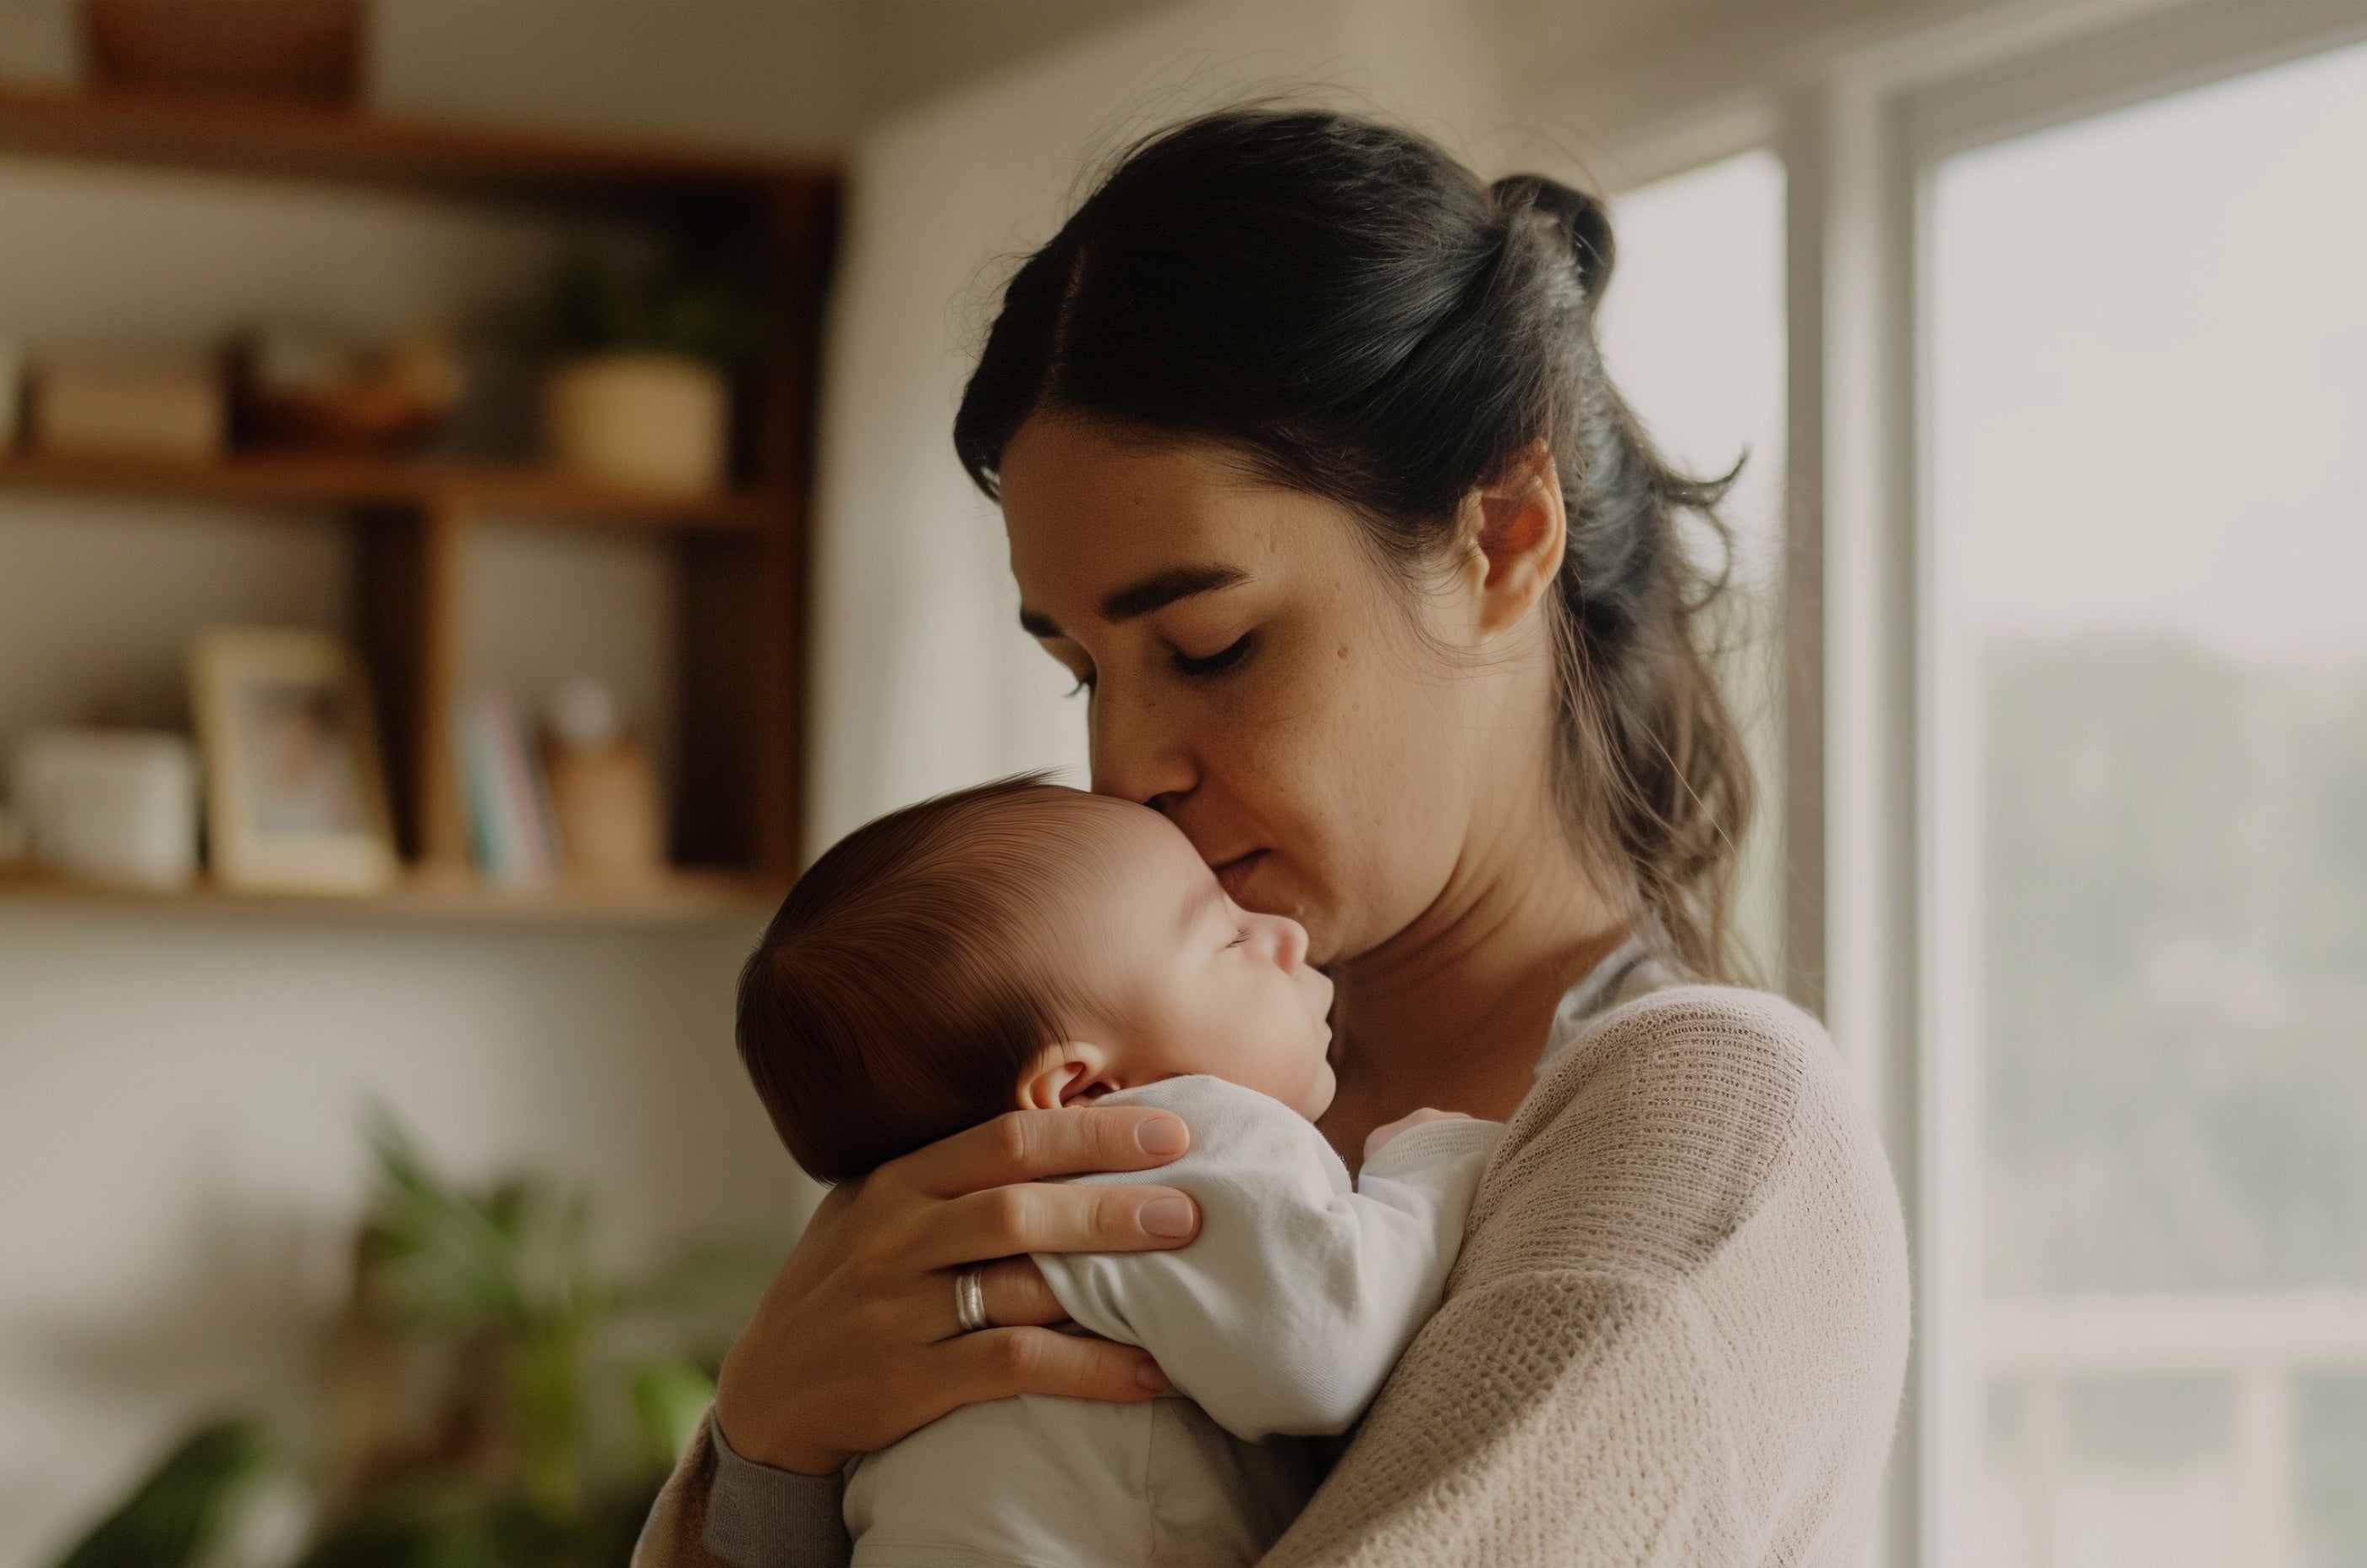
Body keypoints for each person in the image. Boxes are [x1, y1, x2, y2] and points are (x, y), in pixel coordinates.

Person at [638, 107, 1909, 1565]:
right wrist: (769, 1441)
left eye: (1213, 641)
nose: (1122, 769)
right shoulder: (1134, 1067)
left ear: (1503, 531)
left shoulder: (1717, 1122)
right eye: (1079, 669)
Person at [734, 776, 1502, 1566]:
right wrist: (1427, 1163)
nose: (1287, 936)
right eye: (1232, 939)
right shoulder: (1177, 1137)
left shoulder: (918, 1250)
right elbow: (1326, 1347)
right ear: (1086, 1093)